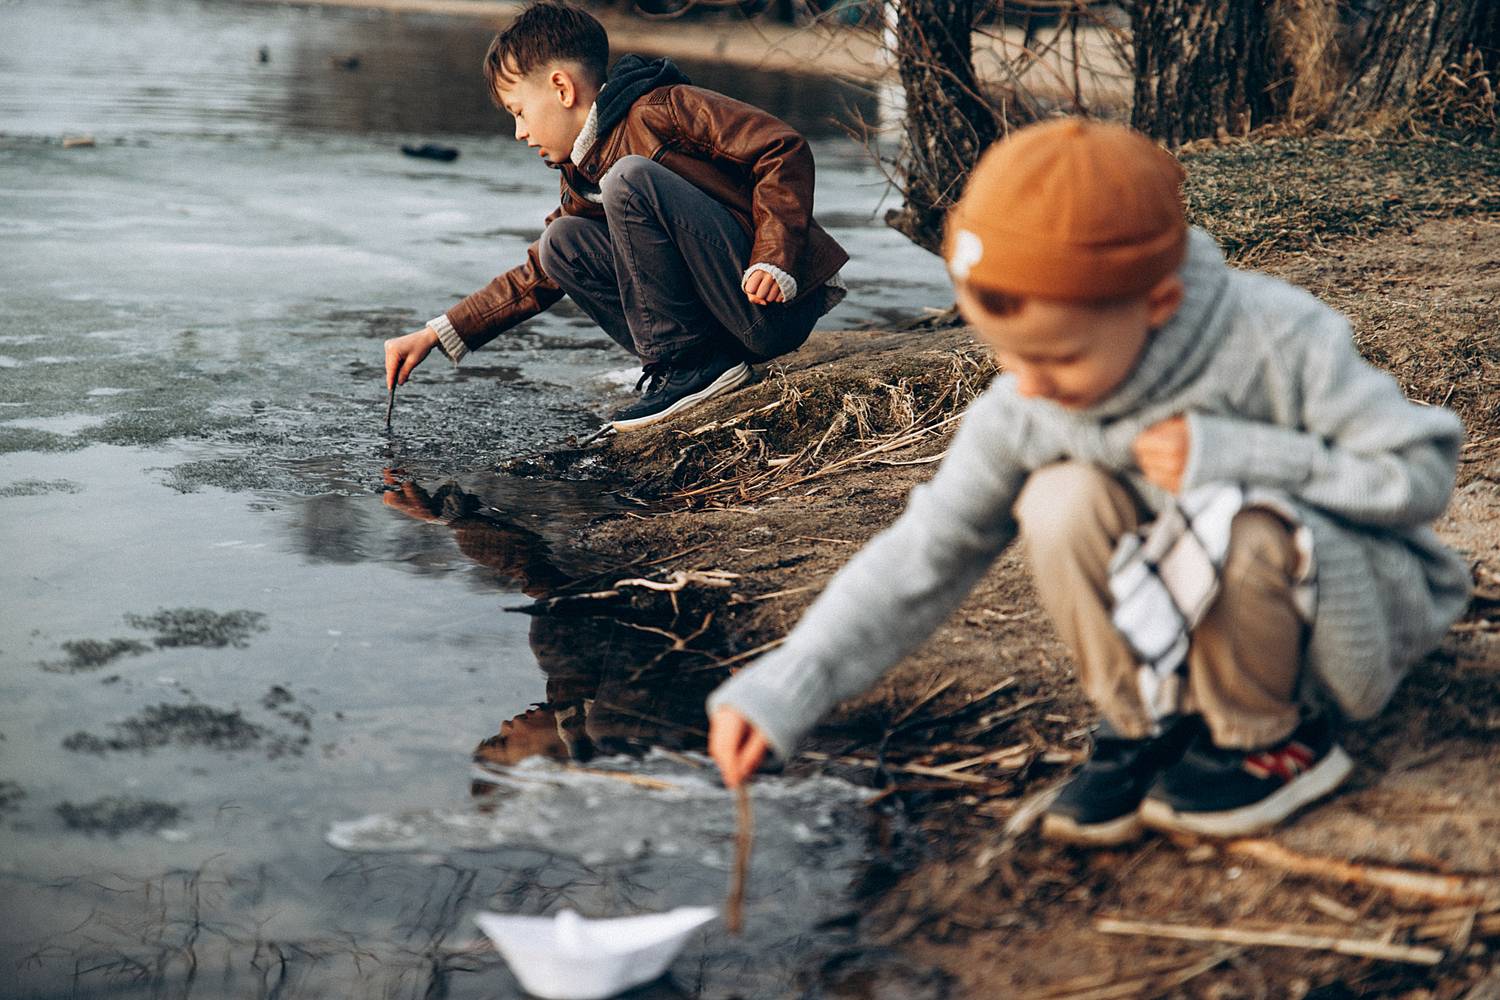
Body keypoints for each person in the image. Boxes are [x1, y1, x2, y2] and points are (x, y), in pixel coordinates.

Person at [705, 118, 1471, 845]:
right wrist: (783, 690)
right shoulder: (1031, 403)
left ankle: (1268, 740)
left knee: (1240, 514)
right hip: (1187, 617)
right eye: (1007, 356)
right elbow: (924, 554)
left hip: (1338, 626)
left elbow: (1419, 472)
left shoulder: (1276, 338)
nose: (1029, 386)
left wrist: (1237, 455)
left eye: (1058, 359)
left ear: (1158, 304)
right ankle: (1146, 726)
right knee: (1059, 498)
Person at [381, 2, 849, 432]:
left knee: (629, 179)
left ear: (561, 88)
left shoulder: (661, 108)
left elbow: (780, 147)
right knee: (560, 242)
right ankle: (687, 366)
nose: (519, 132)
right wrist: (439, 332)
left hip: (766, 304)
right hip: (724, 324)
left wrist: (774, 259)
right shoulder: (579, 171)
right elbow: (538, 275)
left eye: (519, 112)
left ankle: (691, 367)